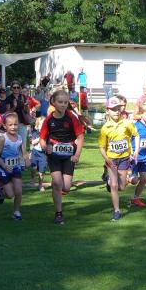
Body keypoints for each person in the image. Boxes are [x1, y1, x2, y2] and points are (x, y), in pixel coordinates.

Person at [40, 90, 85, 224]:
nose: (63, 105)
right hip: (54, 155)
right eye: (60, 102)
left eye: (66, 102)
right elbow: (42, 138)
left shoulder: (71, 117)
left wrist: (77, 155)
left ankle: (58, 188)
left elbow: (80, 137)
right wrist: (45, 147)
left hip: (69, 156)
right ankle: (58, 213)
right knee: (58, 183)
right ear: (53, 102)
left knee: (66, 187)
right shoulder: (49, 120)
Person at [99, 97, 138, 222]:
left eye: (117, 109)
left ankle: (109, 181)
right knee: (114, 185)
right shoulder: (105, 128)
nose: (116, 111)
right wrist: (107, 159)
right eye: (113, 109)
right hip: (111, 159)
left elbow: (136, 135)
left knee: (121, 187)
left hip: (124, 158)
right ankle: (117, 211)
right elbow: (102, 147)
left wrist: (135, 151)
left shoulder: (127, 123)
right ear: (107, 110)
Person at [0, 112, 27, 220]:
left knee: (19, 191)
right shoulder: (2, 139)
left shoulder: (20, 138)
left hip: (15, 168)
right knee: (10, 195)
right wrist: (4, 166)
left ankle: (16, 212)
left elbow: (24, 152)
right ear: (5, 126)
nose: (13, 127)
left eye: (15, 124)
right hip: (3, 169)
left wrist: (26, 160)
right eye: (10, 125)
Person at [29, 114, 47, 192]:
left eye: (44, 125)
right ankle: (32, 178)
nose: (43, 126)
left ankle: (40, 184)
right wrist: (41, 138)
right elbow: (33, 142)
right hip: (35, 152)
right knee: (34, 168)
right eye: (41, 125)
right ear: (37, 126)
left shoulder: (47, 134)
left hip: (43, 154)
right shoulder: (35, 133)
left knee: (41, 171)